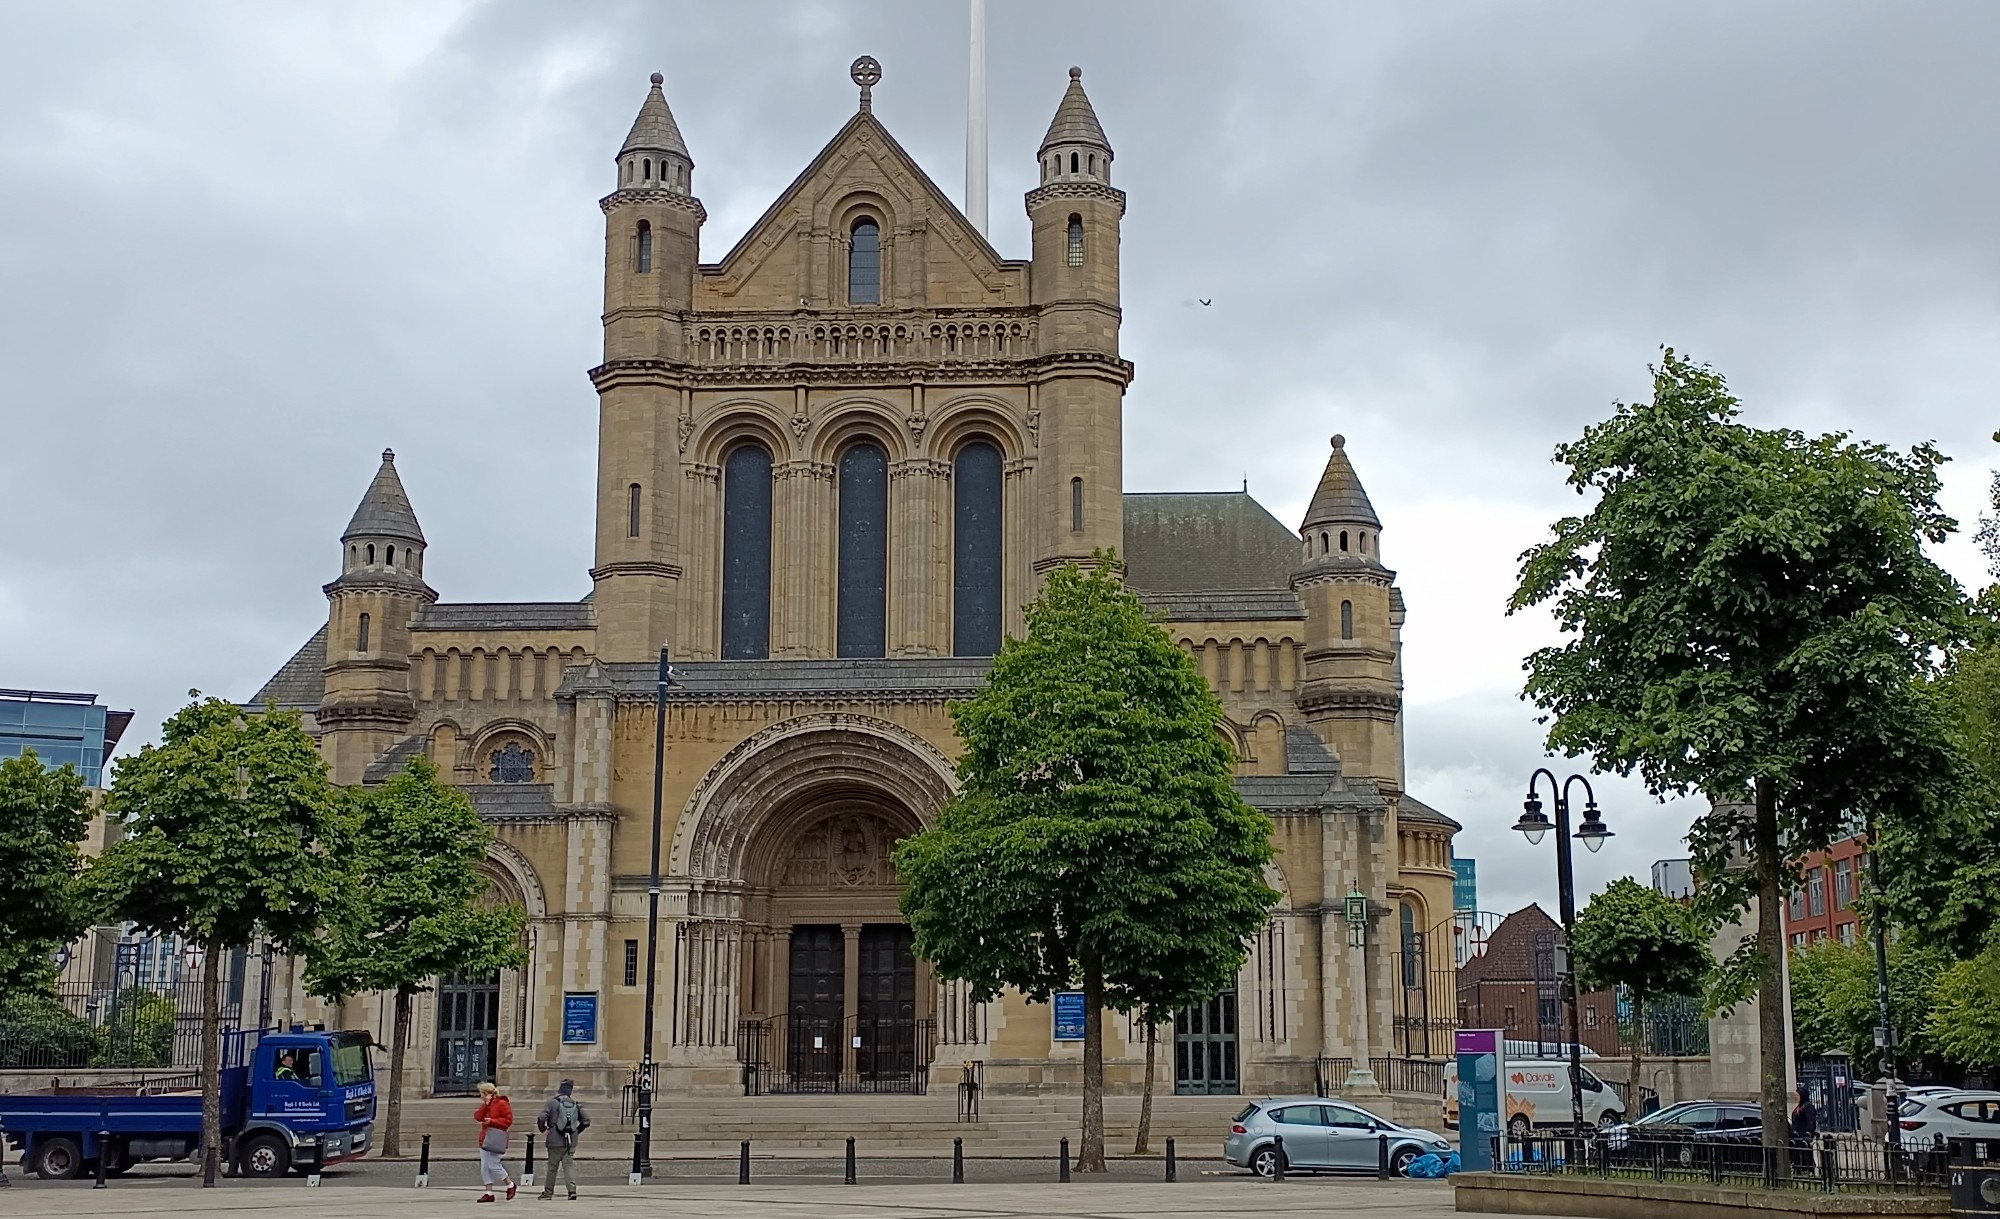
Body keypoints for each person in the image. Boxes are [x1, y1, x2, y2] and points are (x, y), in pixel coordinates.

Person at [534, 1079, 591, 1201]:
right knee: (568, 1165)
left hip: (554, 1139)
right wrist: (576, 1131)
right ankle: (572, 1191)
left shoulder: (551, 1103)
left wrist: (543, 1129)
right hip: (571, 1140)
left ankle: (548, 1193)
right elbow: (586, 1121)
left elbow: (542, 1116)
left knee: (552, 1167)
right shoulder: (575, 1104)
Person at [474, 1080, 518, 1203]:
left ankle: (510, 1184)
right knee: (485, 1167)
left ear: (487, 1093)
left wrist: (492, 1121)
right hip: (485, 1138)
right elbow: (478, 1117)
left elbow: (508, 1121)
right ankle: (488, 1192)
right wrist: (486, 1105)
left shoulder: (502, 1103)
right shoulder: (487, 1104)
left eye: (481, 1093)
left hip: (496, 1138)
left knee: (494, 1164)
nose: (480, 1096)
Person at [1790, 1082, 1819, 1173]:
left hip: (1804, 1135)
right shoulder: (1798, 1107)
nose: (1796, 1097)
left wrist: (1809, 1132)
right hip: (1796, 1136)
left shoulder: (1808, 1106)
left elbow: (1811, 1120)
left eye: (1798, 1095)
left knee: (1805, 1153)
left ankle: (1808, 1169)